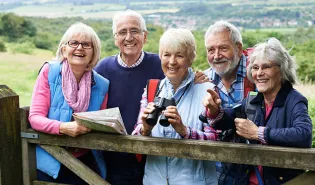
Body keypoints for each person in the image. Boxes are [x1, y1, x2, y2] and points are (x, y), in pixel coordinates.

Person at [94, 9, 207, 185]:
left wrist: (197, 78)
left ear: (145, 36)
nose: (129, 37)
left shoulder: (161, 64)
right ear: (115, 38)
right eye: (122, 32)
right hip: (115, 158)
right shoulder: (103, 69)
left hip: (154, 160)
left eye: (135, 31)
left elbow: (183, 79)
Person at [203, 37, 312, 185]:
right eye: (255, 67)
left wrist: (258, 133)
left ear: (281, 69)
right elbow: (230, 119)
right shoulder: (254, 99)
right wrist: (215, 111)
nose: (259, 73)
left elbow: (303, 135)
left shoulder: (294, 100)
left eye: (266, 67)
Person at [132, 28, 218, 185]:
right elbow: (135, 138)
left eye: (179, 55)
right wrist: (145, 129)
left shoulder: (207, 90)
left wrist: (184, 131)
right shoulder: (152, 89)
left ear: (190, 59)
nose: (172, 62)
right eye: (166, 55)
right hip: (154, 180)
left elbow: (217, 140)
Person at [29, 22, 108, 184]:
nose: (79, 48)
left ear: (93, 53)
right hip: (49, 159)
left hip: (84, 161)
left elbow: (102, 123)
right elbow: (35, 118)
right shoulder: (49, 72)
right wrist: (63, 127)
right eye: (73, 43)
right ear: (64, 49)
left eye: (86, 44)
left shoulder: (102, 84)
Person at [203, 20, 255, 184]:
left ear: (239, 49)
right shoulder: (204, 81)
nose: (217, 56)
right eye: (211, 50)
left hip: (254, 172)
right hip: (215, 174)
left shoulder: (257, 75)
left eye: (223, 48)